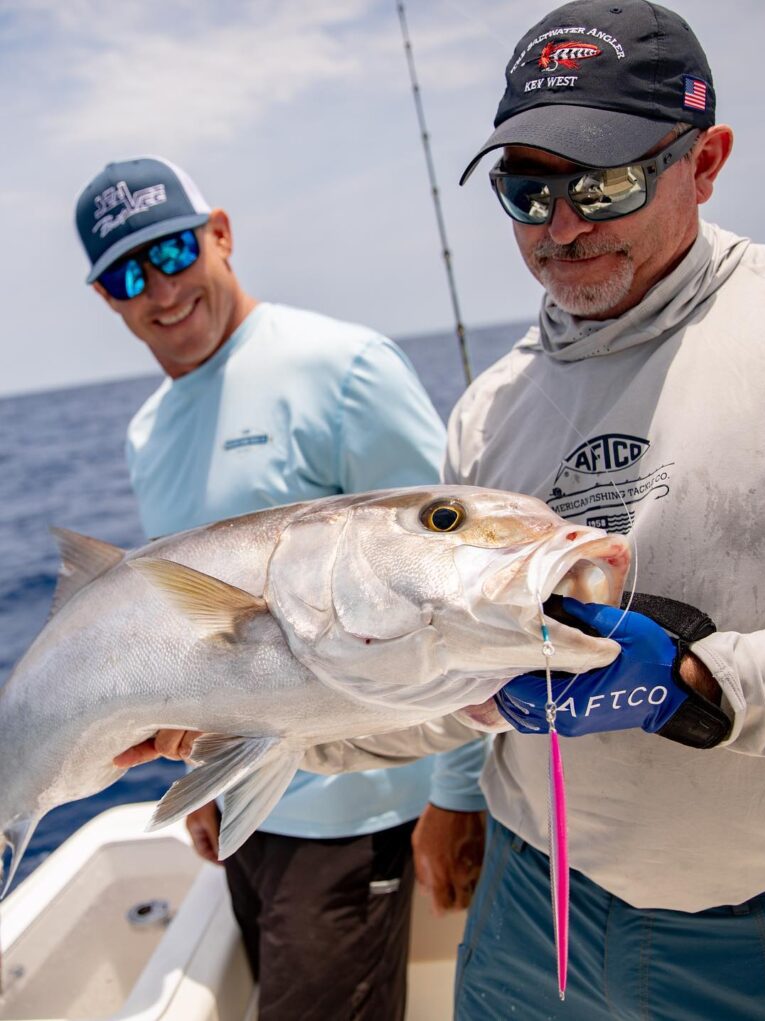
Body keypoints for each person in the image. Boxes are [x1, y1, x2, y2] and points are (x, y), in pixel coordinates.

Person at [288, 2, 765, 1018]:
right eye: (527, 188)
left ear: (706, 160)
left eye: (605, 181)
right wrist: (251, 725)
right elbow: (438, 682)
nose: (562, 224)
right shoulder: (489, 410)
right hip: (525, 905)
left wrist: (695, 683)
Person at [75, 155, 486, 1021]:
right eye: (126, 274)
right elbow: (194, 643)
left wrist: (458, 794)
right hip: (249, 814)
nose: (160, 287)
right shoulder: (148, 431)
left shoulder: (345, 369)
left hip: (356, 814)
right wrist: (206, 784)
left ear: (220, 233)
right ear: (107, 299)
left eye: (174, 250)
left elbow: (460, 597)